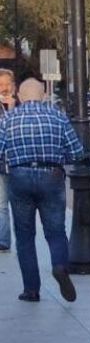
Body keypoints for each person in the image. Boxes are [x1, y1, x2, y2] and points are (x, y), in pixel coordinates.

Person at [0, 78, 83, 303]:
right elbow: (76, 151)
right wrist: (59, 158)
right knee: (56, 231)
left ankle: (31, 290)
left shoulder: (8, 119)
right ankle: (59, 266)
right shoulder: (58, 116)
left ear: (19, 96)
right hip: (52, 176)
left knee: (25, 235)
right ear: (44, 96)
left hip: (20, 177)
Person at [0, 67, 15, 254]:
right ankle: (3, 240)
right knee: (2, 203)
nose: (4, 88)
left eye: (7, 84)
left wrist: (11, 108)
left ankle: (5, 239)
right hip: (2, 161)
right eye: (1, 84)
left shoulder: (21, 103)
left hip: (18, 162)